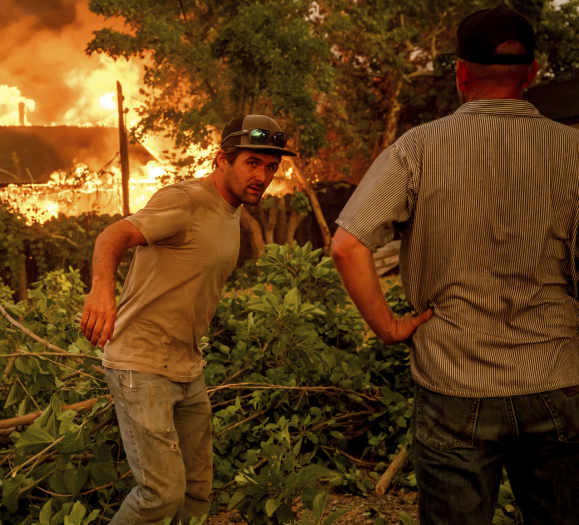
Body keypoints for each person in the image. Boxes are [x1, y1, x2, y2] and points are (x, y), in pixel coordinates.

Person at [331, 6, 579, 525]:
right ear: (532, 74)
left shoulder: (418, 148)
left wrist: (389, 327)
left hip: (454, 387)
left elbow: (347, 244)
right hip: (558, 380)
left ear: (461, 73)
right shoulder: (572, 150)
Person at [80, 115, 295, 525]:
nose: (263, 176)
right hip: (140, 365)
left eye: (270, 167)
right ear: (222, 160)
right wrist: (101, 293)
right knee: (160, 494)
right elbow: (113, 236)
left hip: (186, 367)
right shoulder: (185, 200)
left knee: (197, 491)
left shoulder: (233, 210)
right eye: (252, 163)